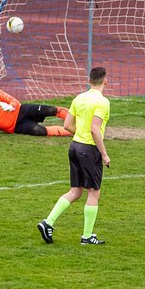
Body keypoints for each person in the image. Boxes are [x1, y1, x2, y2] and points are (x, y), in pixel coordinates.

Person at [37, 67, 112, 245]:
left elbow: (67, 125)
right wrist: (104, 154)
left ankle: (48, 222)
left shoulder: (79, 98)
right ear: (105, 81)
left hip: (75, 147)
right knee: (94, 192)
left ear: (89, 81)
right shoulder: (102, 102)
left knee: (76, 191)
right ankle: (87, 236)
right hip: (89, 149)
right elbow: (95, 129)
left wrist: (80, 135)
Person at [0, 77, 71, 137]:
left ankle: (78, 120)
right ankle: (73, 131)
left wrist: (11, 106)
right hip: (15, 126)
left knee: (51, 110)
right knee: (39, 131)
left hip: (21, 110)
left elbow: (14, 101)